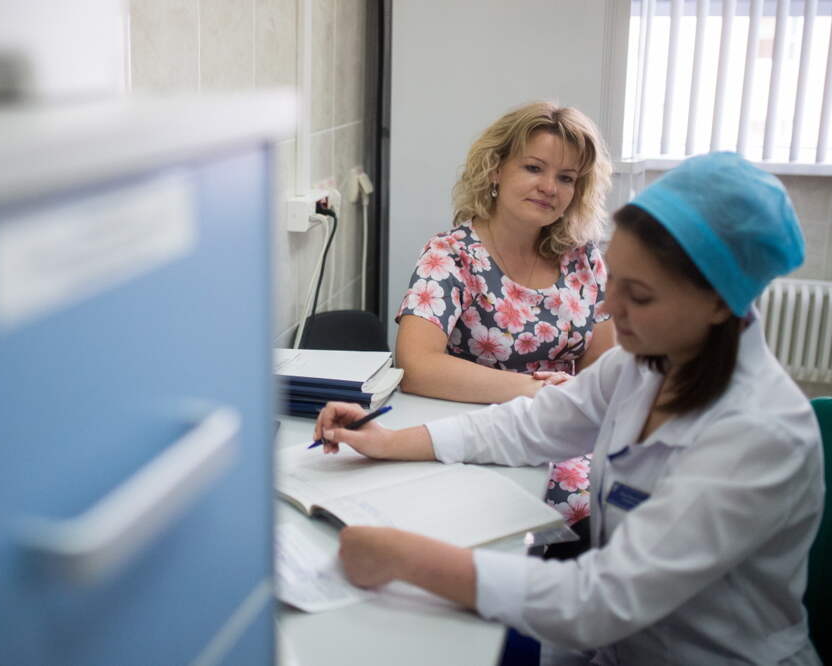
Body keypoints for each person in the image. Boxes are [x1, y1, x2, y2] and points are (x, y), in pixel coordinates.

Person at [317, 152, 824, 664]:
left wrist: (405, 556)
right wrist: (387, 441)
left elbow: (601, 600)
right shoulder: (643, 366)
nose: (608, 308)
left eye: (639, 296)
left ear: (719, 303)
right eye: (614, 280)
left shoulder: (759, 433)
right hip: (616, 647)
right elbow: (531, 425)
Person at [394, 101, 615, 542]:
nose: (549, 188)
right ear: (496, 169)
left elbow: (603, 370)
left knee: (624, 494)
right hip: (476, 431)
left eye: (566, 178)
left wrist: (568, 400)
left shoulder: (583, 257)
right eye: (534, 168)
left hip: (564, 430)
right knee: (578, 509)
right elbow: (416, 366)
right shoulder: (452, 254)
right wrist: (535, 391)